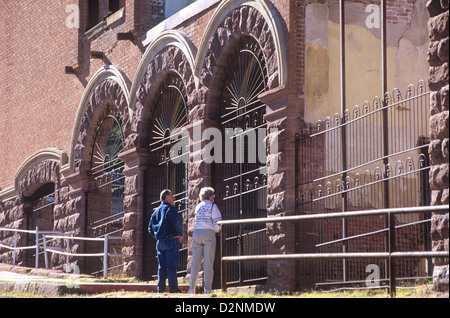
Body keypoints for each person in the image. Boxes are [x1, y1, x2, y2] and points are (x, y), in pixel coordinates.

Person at [188, 187, 222, 294]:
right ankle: (208, 289)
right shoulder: (212, 206)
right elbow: (218, 222)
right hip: (208, 233)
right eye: (213, 195)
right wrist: (217, 230)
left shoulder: (198, 206)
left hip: (197, 233)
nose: (214, 197)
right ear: (210, 196)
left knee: (195, 263)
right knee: (208, 263)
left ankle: (191, 289)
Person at [148, 189, 183, 293]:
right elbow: (176, 223)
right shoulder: (171, 209)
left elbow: (150, 228)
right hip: (171, 240)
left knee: (161, 266)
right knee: (171, 265)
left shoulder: (156, 211)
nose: (173, 198)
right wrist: (180, 234)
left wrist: (157, 236)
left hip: (160, 242)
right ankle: (173, 288)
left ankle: (161, 288)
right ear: (167, 197)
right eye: (172, 196)